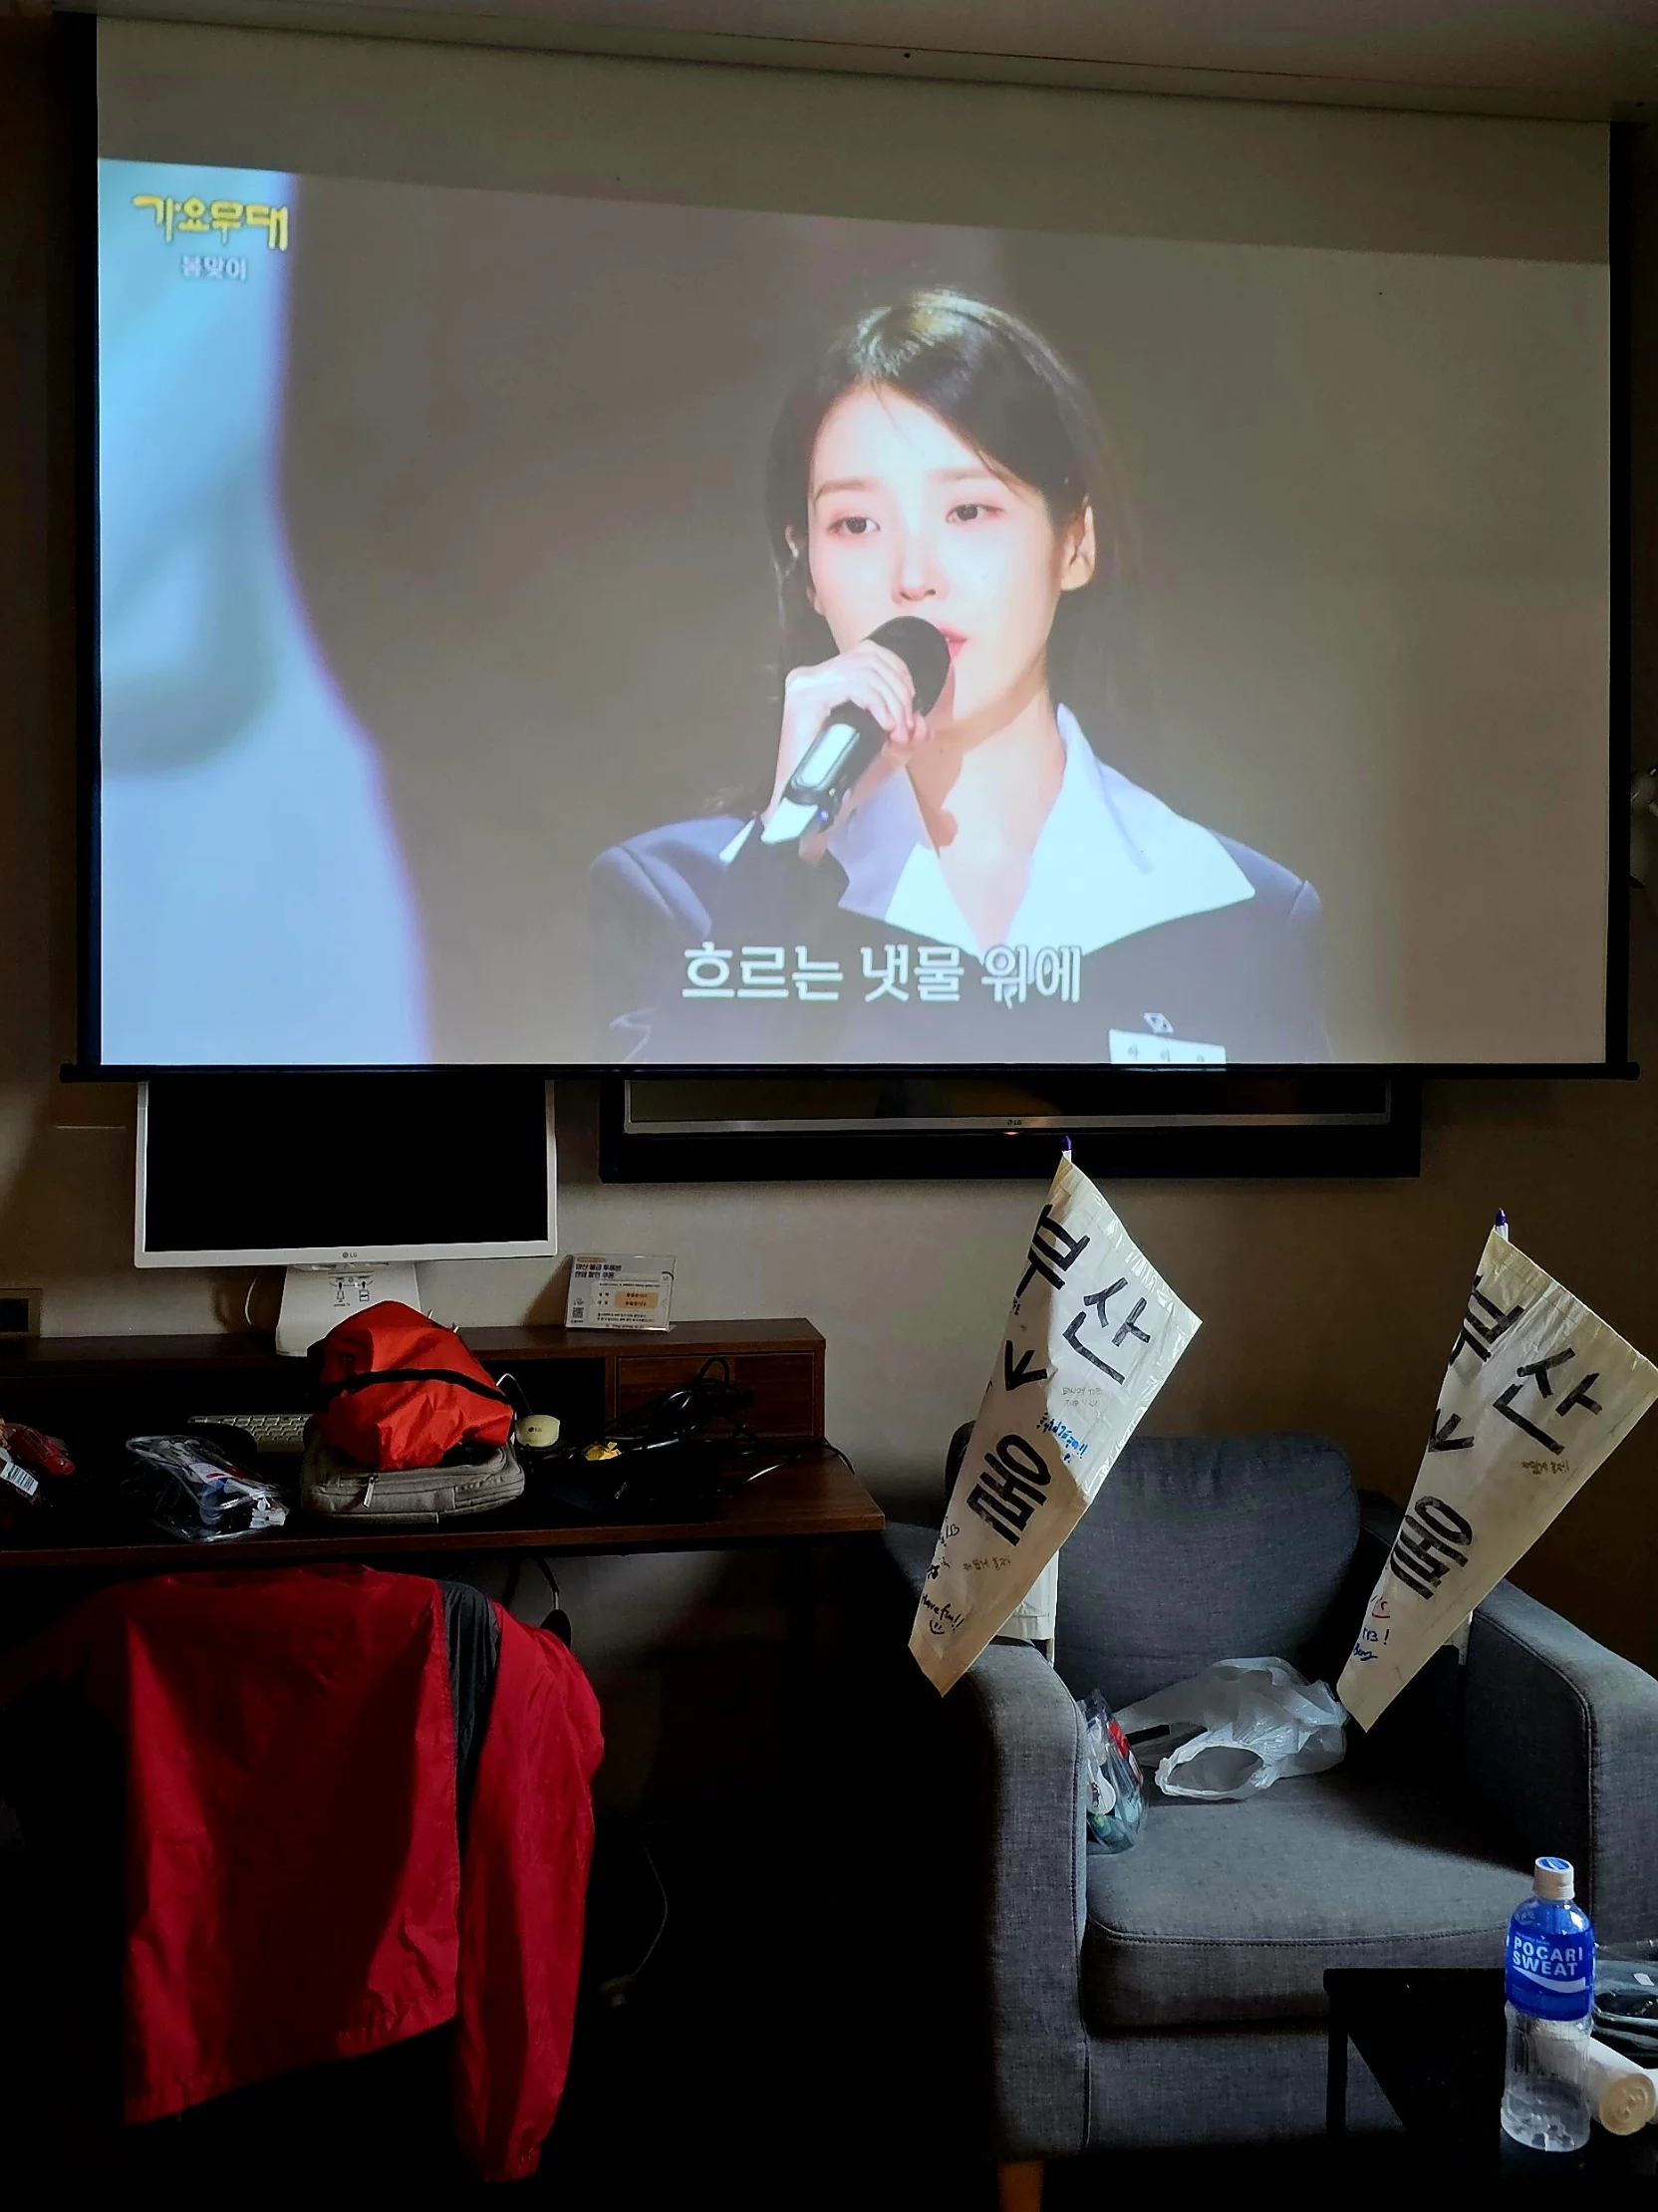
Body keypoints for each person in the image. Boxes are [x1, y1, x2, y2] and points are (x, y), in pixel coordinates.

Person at [590, 289, 1326, 1064]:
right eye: (856, 524)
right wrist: (784, 858)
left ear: (1074, 542)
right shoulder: (681, 897)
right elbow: (672, 1167)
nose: (913, 577)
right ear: (805, 571)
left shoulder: (1235, 914)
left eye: (969, 512)